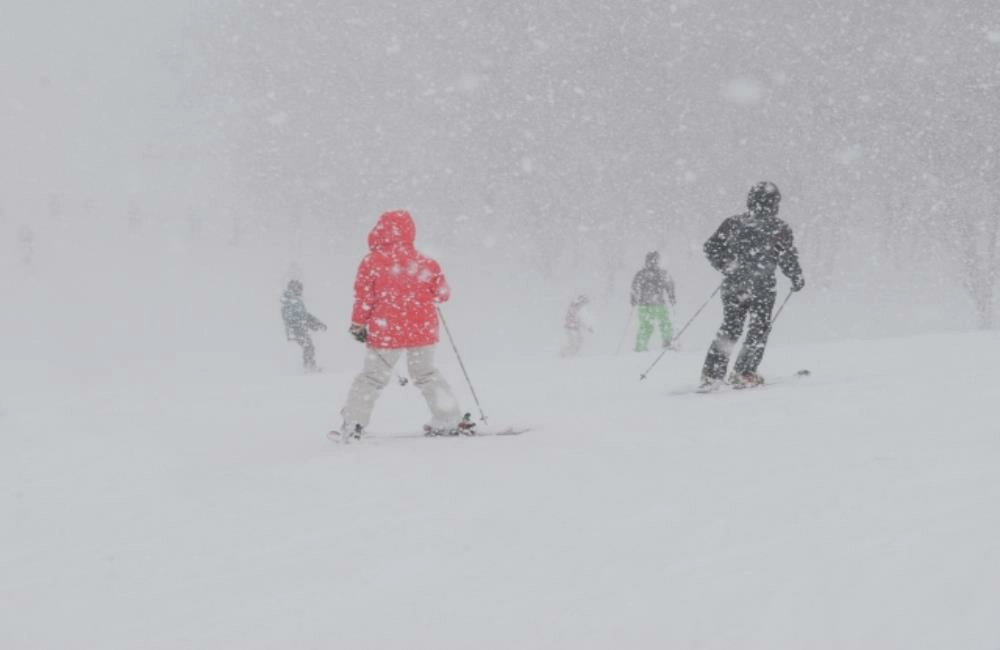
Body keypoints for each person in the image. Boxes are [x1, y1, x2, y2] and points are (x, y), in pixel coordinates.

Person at [333, 210, 471, 442]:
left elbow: (364, 297)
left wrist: (358, 324)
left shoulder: (371, 262)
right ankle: (448, 419)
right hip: (422, 331)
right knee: (426, 374)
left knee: (372, 378)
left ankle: (353, 423)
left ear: (379, 231)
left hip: (387, 331)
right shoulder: (426, 262)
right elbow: (443, 294)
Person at [699, 182, 805, 390]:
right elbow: (787, 257)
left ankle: (711, 375)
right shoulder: (780, 228)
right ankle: (744, 372)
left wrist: (727, 264)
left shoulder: (733, 223)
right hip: (763, 287)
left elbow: (711, 247)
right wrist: (796, 277)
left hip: (734, 285)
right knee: (759, 328)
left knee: (730, 327)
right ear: (775, 203)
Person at [630, 251, 677, 352]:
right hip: (657, 304)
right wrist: (671, 296)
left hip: (645, 305)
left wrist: (634, 299)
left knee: (646, 326)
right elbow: (670, 285)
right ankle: (667, 342)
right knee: (664, 324)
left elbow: (635, 287)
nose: (653, 263)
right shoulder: (661, 273)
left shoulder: (642, 274)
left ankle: (641, 347)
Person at [281, 279, 326, 372]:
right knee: (308, 346)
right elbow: (289, 317)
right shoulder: (290, 300)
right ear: (295, 288)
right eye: (300, 289)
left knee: (308, 346)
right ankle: (309, 366)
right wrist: (299, 324)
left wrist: (317, 323)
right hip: (296, 329)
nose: (301, 291)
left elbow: (304, 315)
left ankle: (309, 365)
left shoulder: (295, 300)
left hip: (299, 328)